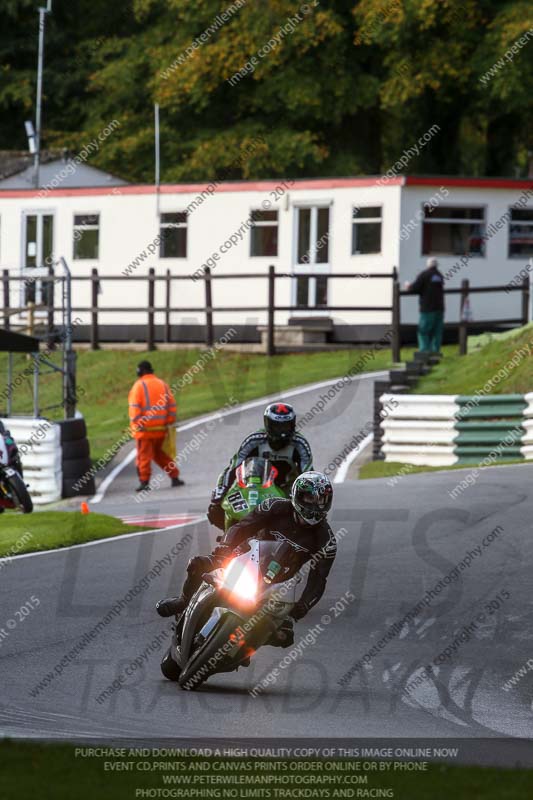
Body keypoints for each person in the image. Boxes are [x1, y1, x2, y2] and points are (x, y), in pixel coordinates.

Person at [156, 472, 336, 647]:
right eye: (310, 498)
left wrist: (303, 606)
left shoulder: (326, 540)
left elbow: (318, 579)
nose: (315, 505)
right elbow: (243, 527)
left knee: (284, 636)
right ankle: (183, 602)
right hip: (244, 558)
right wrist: (224, 549)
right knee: (197, 564)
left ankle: (241, 650)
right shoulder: (273, 506)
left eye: (321, 500)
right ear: (297, 495)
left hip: (277, 585)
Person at [207, 402, 313, 529]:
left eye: (286, 426)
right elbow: (233, 467)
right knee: (215, 509)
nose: (282, 432)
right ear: (268, 424)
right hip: (254, 485)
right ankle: (228, 537)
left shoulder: (300, 444)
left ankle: (295, 540)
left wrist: (307, 500)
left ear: (293, 424)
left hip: (286, 488)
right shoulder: (254, 440)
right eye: (278, 427)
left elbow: (308, 475)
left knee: (307, 516)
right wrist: (221, 491)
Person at [128, 360, 184, 492]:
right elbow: (171, 405)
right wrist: (169, 421)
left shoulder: (138, 386)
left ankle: (144, 482)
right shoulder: (162, 384)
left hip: (144, 430)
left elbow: (134, 408)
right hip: (161, 429)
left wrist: (137, 424)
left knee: (144, 457)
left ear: (139, 372)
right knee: (159, 454)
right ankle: (174, 476)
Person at [404, 257, 445, 354]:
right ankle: (435, 351)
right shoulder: (439, 276)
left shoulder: (424, 275)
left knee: (423, 330)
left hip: (428, 308)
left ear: (428, 265)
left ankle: (424, 351)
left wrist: (408, 286)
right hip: (440, 308)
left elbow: (414, 288)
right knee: (436, 331)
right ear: (437, 265)